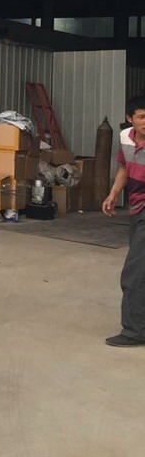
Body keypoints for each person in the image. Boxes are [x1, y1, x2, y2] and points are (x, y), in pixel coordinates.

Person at [102, 94, 145, 346]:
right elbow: (124, 168)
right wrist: (113, 193)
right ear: (130, 118)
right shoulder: (125, 138)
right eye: (141, 117)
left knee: (134, 273)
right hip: (136, 208)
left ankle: (135, 331)